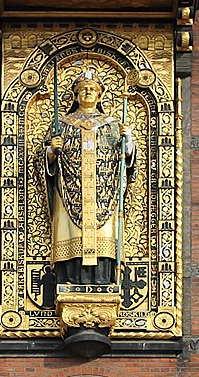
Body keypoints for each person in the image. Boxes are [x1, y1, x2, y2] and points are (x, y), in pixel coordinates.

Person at [45, 71, 135, 286]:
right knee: (69, 229)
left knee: (104, 231)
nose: (87, 92)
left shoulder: (112, 124)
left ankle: (104, 277)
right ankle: (69, 277)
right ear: (75, 95)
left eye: (92, 89)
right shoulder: (63, 123)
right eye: (83, 89)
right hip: (70, 188)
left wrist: (128, 140)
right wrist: (51, 151)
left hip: (104, 190)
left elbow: (127, 159)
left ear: (100, 95)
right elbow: (45, 160)